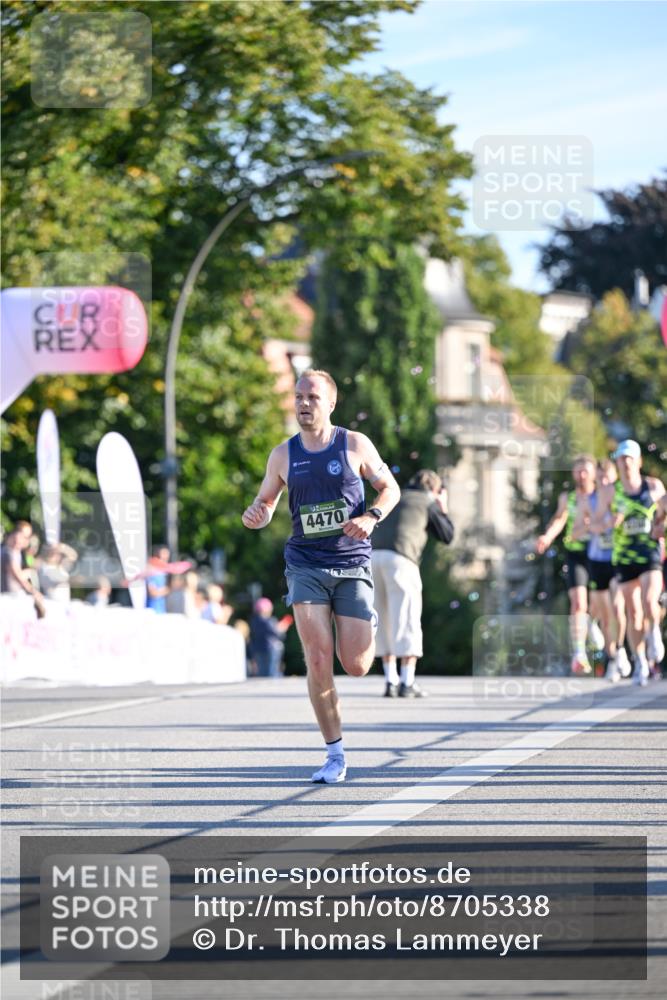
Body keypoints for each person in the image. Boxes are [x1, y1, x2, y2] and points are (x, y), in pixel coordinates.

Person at [242, 368, 400, 784]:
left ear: (331, 403)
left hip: (351, 563)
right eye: (298, 397)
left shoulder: (354, 444)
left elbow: (391, 489)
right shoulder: (282, 455)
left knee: (358, 664)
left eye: (312, 397)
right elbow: (264, 506)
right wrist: (255, 515)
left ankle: (368, 619)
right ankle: (335, 754)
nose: (304, 403)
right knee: (316, 658)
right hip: (305, 564)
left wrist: (371, 516)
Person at [371, 469, 454, 698]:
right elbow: (447, 535)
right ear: (435, 489)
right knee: (406, 619)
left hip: (372, 558)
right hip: (401, 560)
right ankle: (407, 682)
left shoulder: (396, 495)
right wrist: (442, 506)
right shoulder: (427, 501)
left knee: (383, 619)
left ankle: (390, 681)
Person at [594, 440, 665, 685]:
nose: (625, 463)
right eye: (621, 459)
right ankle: (640, 661)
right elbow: (597, 522)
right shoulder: (610, 492)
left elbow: (665, 512)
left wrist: (660, 526)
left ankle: (655, 631)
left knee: (649, 600)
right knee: (633, 613)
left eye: (629, 458)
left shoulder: (653, 486)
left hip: (649, 554)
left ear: (638, 461)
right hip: (623, 558)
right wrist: (608, 523)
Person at [535, 456, 597, 674]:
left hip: (599, 552)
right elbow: (559, 520)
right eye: (578, 471)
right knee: (578, 603)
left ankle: (594, 623)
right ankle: (579, 652)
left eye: (585, 472)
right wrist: (547, 537)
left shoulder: (601, 496)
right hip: (576, 554)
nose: (581, 476)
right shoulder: (568, 498)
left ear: (594, 474)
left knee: (600, 601)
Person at [572, 459, 630, 681]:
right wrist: (590, 525)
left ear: (615, 478)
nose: (604, 482)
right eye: (600, 478)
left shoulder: (622, 499)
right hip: (596, 560)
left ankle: (622, 649)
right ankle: (613, 656)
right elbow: (575, 533)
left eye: (608, 478)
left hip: (617, 559)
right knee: (606, 616)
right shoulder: (589, 500)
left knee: (618, 607)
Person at [250, 597, 293, 677]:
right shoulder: (268, 620)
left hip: (258, 648)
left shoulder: (254, 620)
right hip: (271, 649)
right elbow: (277, 633)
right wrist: (284, 626)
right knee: (272, 671)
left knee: (262, 671)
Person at [146, 545, 170, 613]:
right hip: (153, 610)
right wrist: (167, 590)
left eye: (166, 559)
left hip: (161, 610)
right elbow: (153, 592)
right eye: (163, 558)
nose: (165, 561)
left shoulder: (163, 573)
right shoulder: (151, 572)